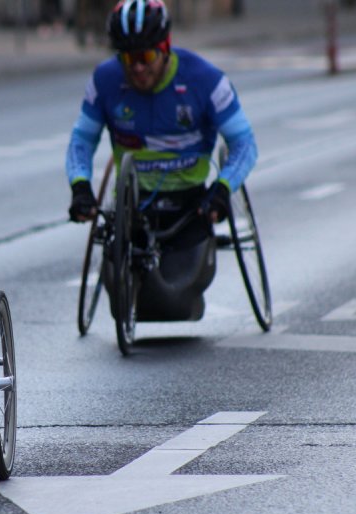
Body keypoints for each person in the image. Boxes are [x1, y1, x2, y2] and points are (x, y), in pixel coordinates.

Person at [66, 0, 258, 319]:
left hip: (189, 204)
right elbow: (82, 140)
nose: (137, 68)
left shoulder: (206, 80)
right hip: (133, 203)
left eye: (145, 57)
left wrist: (223, 189)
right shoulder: (105, 80)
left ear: (165, 48)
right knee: (128, 300)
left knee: (175, 301)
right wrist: (80, 187)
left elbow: (244, 143)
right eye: (128, 58)